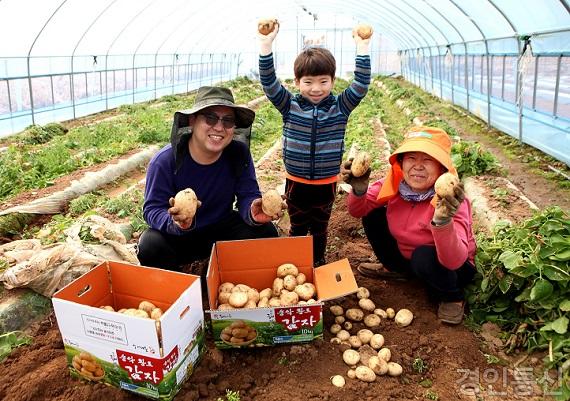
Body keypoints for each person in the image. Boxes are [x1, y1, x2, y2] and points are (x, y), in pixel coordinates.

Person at [258, 20, 371, 266]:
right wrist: (266, 45)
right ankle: (297, 264)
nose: (316, 88)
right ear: (297, 82)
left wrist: (362, 47)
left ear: (333, 81)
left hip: (326, 182)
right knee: (298, 224)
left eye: (323, 81)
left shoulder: (340, 107)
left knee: (320, 225)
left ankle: (318, 260)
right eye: (308, 82)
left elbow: (361, 84)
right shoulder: (290, 106)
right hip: (296, 181)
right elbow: (268, 83)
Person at [341, 127, 477, 325]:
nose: (418, 166)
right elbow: (357, 211)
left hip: (451, 269)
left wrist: (443, 222)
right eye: (412, 158)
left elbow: (454, 261)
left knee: (423, 255)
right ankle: (397, 270)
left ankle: (452, 297)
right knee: (373, 214)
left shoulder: (451, 200)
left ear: (441, 168)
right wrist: (359, 191)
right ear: (401, 163)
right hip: (408, 258)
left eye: (428, 160)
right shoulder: (394, 185)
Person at [137, 86, 280, 271]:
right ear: (193, 120)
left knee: (267, 231)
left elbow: (248, 194)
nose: (219, 127)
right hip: (180, 237)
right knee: (150, 245)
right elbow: (152, 209)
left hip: (221, 231)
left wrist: (253, 211)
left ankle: (223, 271)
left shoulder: (238, 153)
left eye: (228, 121)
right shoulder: (165, 161)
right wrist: (177, 223)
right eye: (210, 118)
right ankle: (182, 283)